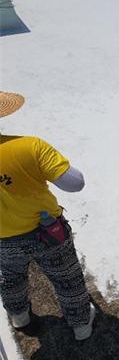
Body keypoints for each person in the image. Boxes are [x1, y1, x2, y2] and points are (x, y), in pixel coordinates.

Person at [0, 91, 95, 340]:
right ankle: (81, 326)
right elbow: (75, 183)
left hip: (2, 241)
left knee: (10, 279)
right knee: (67, 278)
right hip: (46, 232)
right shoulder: (30, 146)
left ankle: (19, 317)